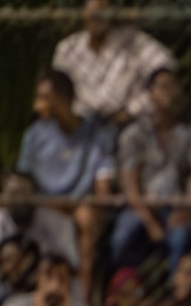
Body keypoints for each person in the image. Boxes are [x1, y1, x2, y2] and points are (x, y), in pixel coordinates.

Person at [14, 71, 115, 289]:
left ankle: (84, 297)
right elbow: (23, 181)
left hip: (78, 206)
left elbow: (103, 188)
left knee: (88, 216)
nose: (38, 105)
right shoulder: (34, 135)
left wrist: (94, 207)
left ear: (64, 98)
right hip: (39, 205)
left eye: (44, 97)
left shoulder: (97, 136)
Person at [112, 69, 191, 270]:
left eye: (175, 86)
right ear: (151, 93)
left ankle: (171, 290)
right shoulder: (135, 133)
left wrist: (188, 208)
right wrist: (150, 221)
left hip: (181, 202)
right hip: (142, 204)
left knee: (180, 237)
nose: (172, 92)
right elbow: (130, 185)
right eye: (165, 86)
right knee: (121, 238)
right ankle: (125, 285)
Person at [51, 0, 176, 123]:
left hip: (125, 119)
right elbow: (57, 89)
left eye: (102, 13)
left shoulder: (132, 41)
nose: (97, 18)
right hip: (81, 121)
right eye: (93, 13)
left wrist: (133, 110)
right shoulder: (68, 48)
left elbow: (164, 66)